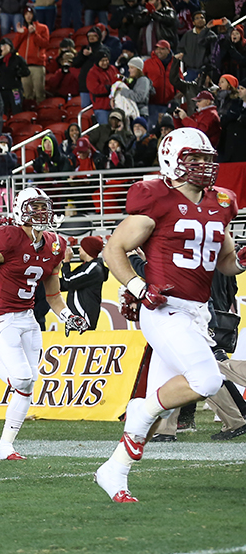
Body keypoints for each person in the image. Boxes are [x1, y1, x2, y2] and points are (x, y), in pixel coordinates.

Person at [95, 128, 242, 502]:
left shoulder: (222, 202)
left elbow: (225, 263)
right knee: (206, 380)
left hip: (196, 312)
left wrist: (241, 258)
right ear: (173, 159)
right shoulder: (157, 198)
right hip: (163, 310)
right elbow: (115, 250)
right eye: (196, 158)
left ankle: (114, 471)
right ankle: (140, 410)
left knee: (153, 412)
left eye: (208, 158)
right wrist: (139, 287)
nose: (205, 166)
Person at [0, 189, 90, 460]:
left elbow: (52, 294)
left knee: (28, 385)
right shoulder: (9, 238)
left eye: (44, 207)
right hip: (1, 317)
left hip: (27, 317)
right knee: (23, 378)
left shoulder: (54, 244)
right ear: (20, 210)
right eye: (35, 207)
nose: (42, 213)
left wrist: (68, 316)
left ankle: (5, 446)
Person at [60, 236, 108, 330]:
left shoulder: (94, 268)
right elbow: (64, 284)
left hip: (83, 317)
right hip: (76, 317)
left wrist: (66, 262)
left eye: (81, 247)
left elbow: (69, 282)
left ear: (87, 250)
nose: (79, 249)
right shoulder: (86, 267)